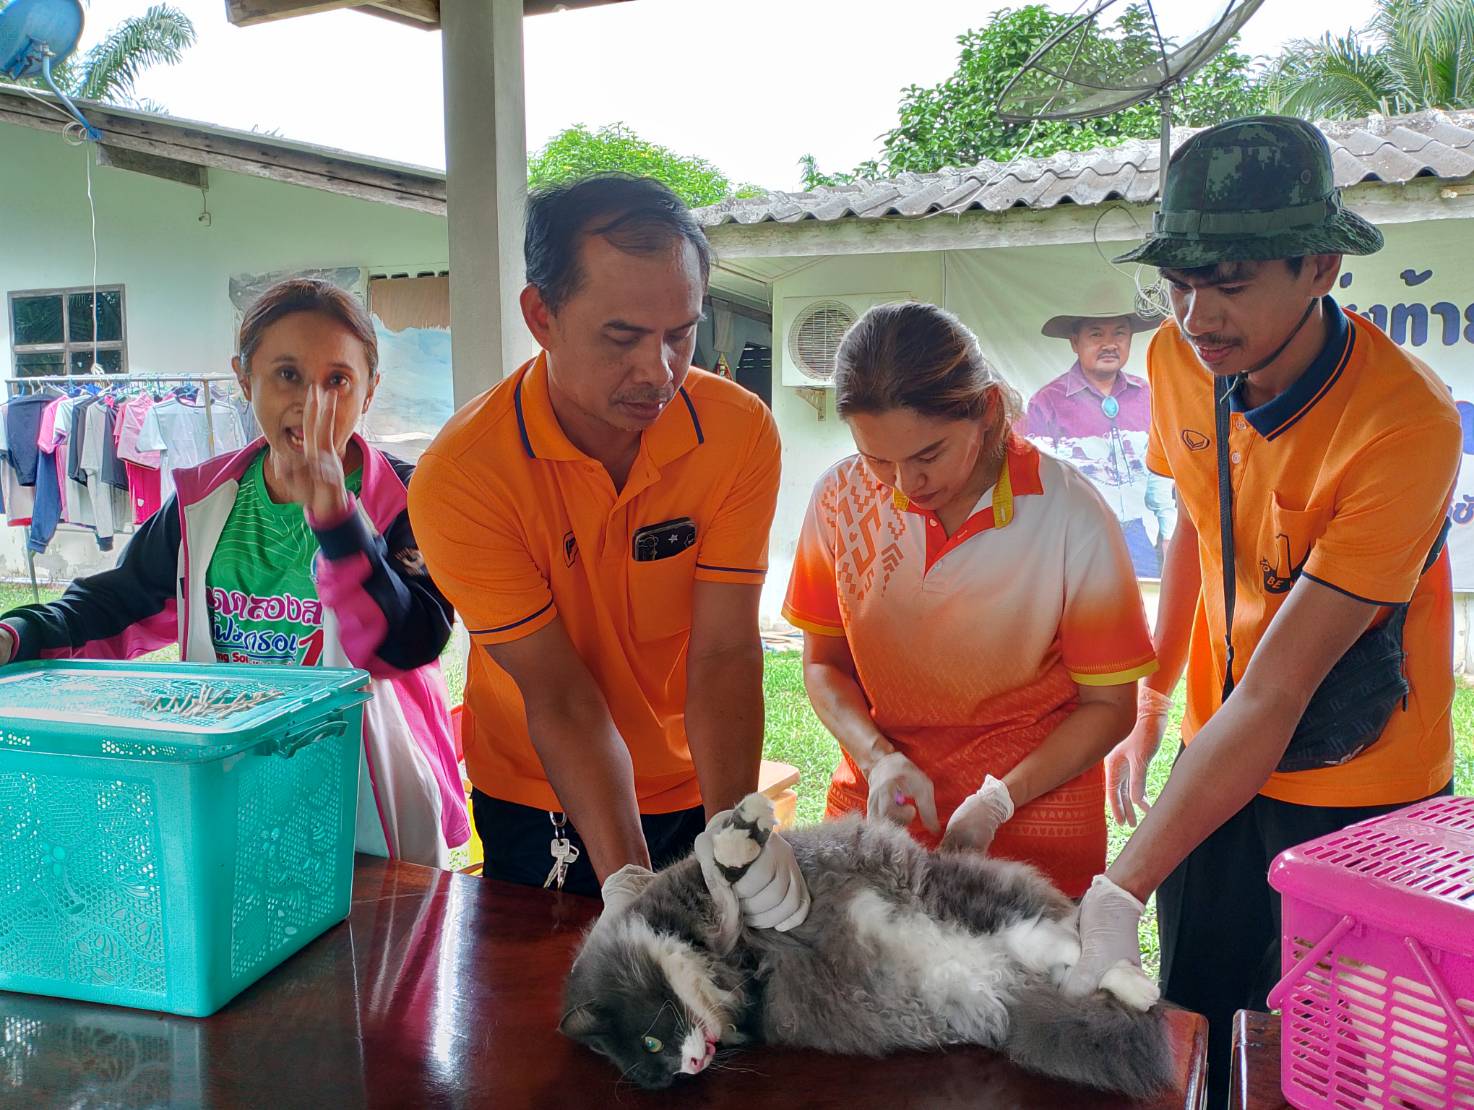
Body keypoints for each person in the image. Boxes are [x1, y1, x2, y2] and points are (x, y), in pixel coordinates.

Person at [1063, 116, 1462, 1105]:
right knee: (1197, 1017)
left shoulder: (1401, 427)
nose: (1198, 316)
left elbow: (1281, 689)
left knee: (1344, 1058)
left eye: (1230, 283)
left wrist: (1121, 880)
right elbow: (1199, 523)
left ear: (1319, 266)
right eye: (1177, 283)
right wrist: (1155, 700)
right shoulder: (1172, 364)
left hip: (1353, 779)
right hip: (1216, 749)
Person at [0, 278, 470, 868]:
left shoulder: (407, 499)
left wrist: (335, 519)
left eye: (337, 381)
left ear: (369, 391)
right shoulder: (203, 501)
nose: (311, 404)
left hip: (369, 807)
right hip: (235, 791)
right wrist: (19, 634)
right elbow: (117, 603)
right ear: (245, 379)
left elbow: (412, 641)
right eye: (287, 375)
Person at [409, 175, 781, 899]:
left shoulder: (737, 433)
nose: (659, 370)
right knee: (576, 994)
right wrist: (629, 885)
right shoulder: (464, 475)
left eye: (681, 334)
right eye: (623, 337)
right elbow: (561, 696)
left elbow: (726, 651)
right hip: (541, 786)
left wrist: (736, 833)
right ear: (541, 315)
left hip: (687, 770)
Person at [780, 301, 1157, 898]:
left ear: (985, 411)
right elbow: (824, 665)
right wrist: (879, 759)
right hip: (883, 812)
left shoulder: (1069, 513)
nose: (906, 486)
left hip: (1034, 823)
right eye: (878, 458)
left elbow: (1109, 707)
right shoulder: (838, 499)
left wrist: (1000, 798)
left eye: (928, 455)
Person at [1023, 288, 1177, 576]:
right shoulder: (1047, 402)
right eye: (1096, 334)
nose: (1109, 344)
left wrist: (1169, 533)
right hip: (1079, 536)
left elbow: (1162, 474)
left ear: (1130, 339)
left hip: (1143, 536)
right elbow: (1040, 485)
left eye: (1119, 333)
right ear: (1074, 342)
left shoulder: (1149, 395)